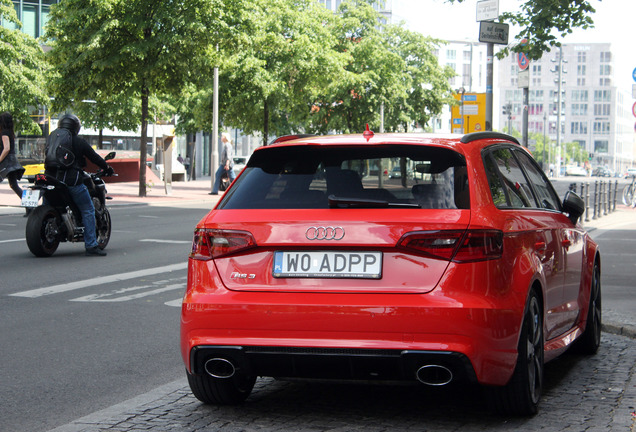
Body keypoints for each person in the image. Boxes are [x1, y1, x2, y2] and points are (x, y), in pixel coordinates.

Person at [44, 114, 113, 256]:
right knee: (88, 210)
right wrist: (106, 168)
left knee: (47, 205)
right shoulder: (78, 141)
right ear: (76, 127)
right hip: (71, 180)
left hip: (50, 178)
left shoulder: (52, 138)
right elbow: (94, 157)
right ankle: (91, 245)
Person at [0, 112, 27, 215]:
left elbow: (6, 148)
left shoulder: (4, 133)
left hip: (6, 162)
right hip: (11, 161)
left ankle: (29, 206)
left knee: (14, 185)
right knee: (14, 185)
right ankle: (29, 206)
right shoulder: (10, 132)